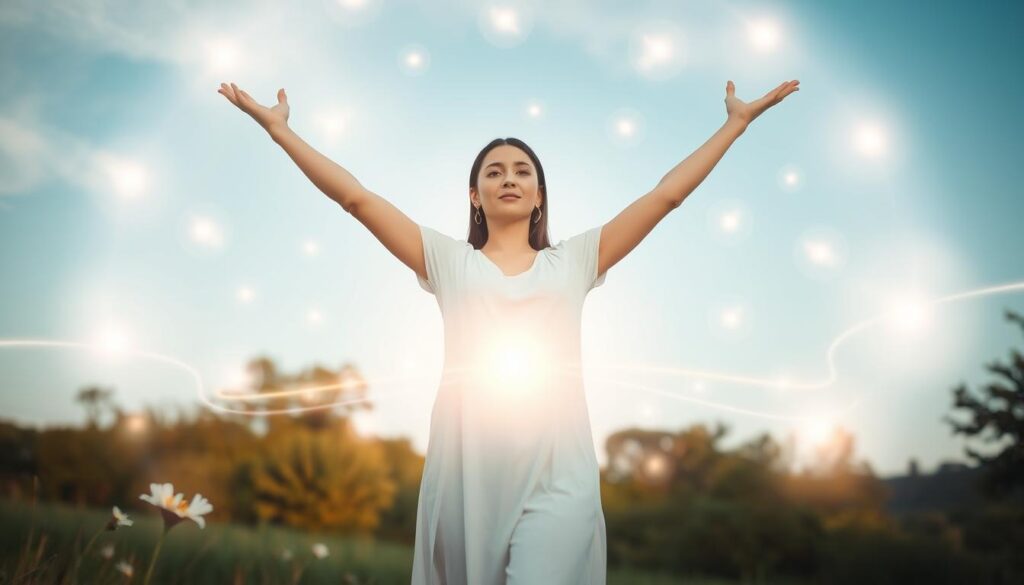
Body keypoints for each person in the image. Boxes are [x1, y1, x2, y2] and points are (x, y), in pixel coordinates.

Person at [218, 78, 799, 584]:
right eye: (493, 172)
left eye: (523, 171)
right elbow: (356, 198)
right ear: (474, 195)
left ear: (540, 195)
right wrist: (280, 132)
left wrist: (736, 126)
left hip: (558, 477)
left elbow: (665, 196)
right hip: (469, 480)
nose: (509, 178)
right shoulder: (448, 262)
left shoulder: (575, 261)